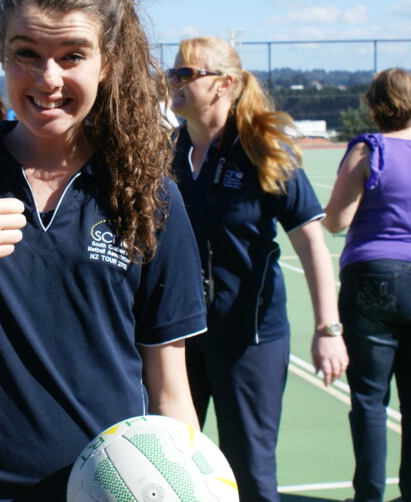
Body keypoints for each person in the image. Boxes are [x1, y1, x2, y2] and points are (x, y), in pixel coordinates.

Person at [0, 0, 207, 499]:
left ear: (108, 62)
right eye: (26, 53)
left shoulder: (150, 196)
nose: (48, 77)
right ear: (1, 56)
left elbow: (170, 392)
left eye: (73, 55)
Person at [168, 36, 347, 502]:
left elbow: (310, 239)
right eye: (174, 72)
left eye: (188, 73)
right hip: (178, 336)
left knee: (249, 473)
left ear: (224, 84)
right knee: (166, 466)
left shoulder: (262, 149)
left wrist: (329, 328)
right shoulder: (164, 154)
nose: (175, 81)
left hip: (249, 338)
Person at [322, 68, 411, 502]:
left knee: (369, 398)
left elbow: (336, 220)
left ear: (372, 103)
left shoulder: (370, 149)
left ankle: (368, 496)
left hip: (373, 277)